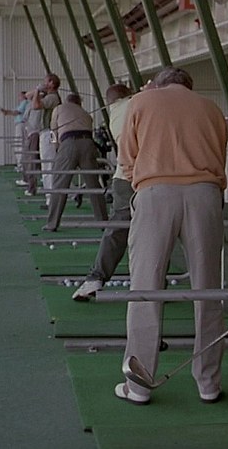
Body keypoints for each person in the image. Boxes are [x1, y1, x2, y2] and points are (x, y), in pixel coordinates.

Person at [115, 67, 228, 405]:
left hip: (155, 193)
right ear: (188, 87)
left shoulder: (141, 102)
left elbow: (126, 158)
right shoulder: (212, 109)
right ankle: (208, 383)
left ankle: (139, 385)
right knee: (208, 290)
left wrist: (145, 181)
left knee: (145, 289)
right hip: (205, 194)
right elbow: (220, 159)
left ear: (160, 85)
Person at [71, 83, 134, 300]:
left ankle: (95, 278)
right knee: (148, 232)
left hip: (127, 178)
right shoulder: (135, 104)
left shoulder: (117, 112)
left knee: (119, 229)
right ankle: (155, 283)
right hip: (137, 178)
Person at [42, 94, 108, 231]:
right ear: (79, 103)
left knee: (60, 184)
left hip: (68, 142)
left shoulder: (59, 109)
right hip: (88, 143)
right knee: (93, 184)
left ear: (67, 101)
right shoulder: (86, 114)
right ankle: (103, 222)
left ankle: (52, 223)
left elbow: (53, 130)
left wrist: (56, 147)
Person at [33, 74, 62, 208]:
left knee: (48, 165)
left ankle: (50, 200)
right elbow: (29, 96)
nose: (43, 83)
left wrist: (37, 91)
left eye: (46, 82)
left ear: (51, 83)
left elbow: (35, 105)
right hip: (48, 133)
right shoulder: (49, 96)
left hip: (49, 133)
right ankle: (72, 193)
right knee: (51, 164)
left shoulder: (52, 98)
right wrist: (37, 91)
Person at [1, 91, 30, 177]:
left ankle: (21, 165)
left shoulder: (25, 102)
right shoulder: (22, 104)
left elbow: (17, 112)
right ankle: (20, 164)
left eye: (20, 95)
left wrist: (7, 112)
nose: (19, 97)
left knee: (20, 144)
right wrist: (7, 112)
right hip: (19, 125)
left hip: (21, 124)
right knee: (19, 144)